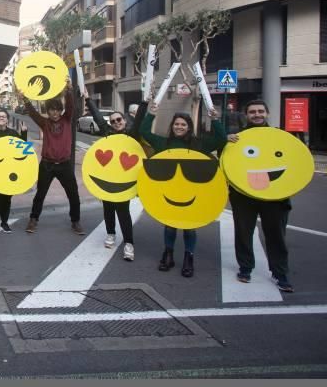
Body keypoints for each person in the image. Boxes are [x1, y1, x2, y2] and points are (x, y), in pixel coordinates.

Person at [140, 100, 227, 278]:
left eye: (183, 124)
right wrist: (151, 114)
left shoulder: (198, 144)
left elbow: (221, 140)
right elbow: (143, 132)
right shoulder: (162, 143)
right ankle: (168, 254)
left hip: (191, 193)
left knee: (189, 227)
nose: (179, 127)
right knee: (170, 225)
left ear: (189, 127)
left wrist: (216, 121)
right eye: (177, 124)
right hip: (169, 192)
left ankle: (189, 257)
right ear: (172, 126)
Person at [227, 100, 294, 292]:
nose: (257, 115)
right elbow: (228, 162)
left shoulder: (279, 137)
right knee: (243, 232)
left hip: (275, 196)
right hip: (243, 195)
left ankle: (280, 272)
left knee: (276, 235)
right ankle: (245, 267)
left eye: (260, 111)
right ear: (246, 115)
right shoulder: (237, 138)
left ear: (267, 113)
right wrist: (226, 141)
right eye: (252, 112)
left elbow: (293, 164)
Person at [19, 81, 82, 235]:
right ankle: (33, 220)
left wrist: (68, 90)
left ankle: (76, 221)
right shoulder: (45, 123)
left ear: (61, 111)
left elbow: (71, 106)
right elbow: (33, 113)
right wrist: (25, 99)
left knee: (73, 194)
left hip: (65, 165)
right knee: (40, 194)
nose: (54, 112)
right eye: (51, 110)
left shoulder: (67, 119)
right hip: (47, 165)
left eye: (57, 109)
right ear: (48, 111)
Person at [84, 90, 137, 261]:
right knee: (108, 209)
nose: (116, 123)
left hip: (124, 181)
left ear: (124, 120)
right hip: (107, 179)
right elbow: (98, 118)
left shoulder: (131, 135)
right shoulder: (108, 133)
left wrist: (146, 103)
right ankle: (111, 234)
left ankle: (129, 243)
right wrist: (88, 99)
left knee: (123, 212)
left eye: (119, 120)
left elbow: (142, 119)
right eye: (113, 121)